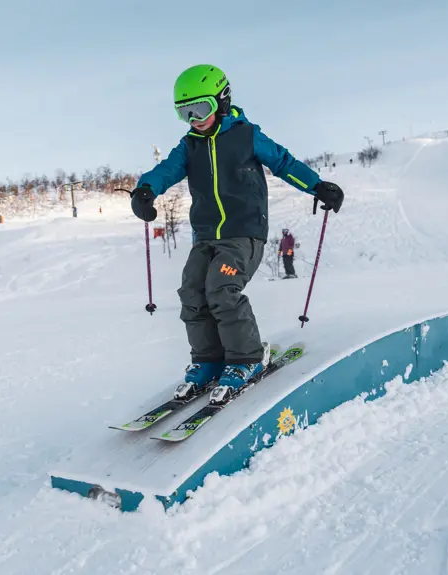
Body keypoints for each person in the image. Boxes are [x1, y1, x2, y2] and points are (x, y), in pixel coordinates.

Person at [130, 64, 344, 404]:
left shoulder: (246, 135)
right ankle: (208, 360)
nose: (194, 119)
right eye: (184, 112)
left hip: (244, 232)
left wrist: (317, 187)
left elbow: (284, 162)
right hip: (205, 235)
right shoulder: (189, 146)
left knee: (222, 288)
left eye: (200, 109)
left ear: (222, 100)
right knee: (192, 291)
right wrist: (145, 191)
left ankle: (247, 358)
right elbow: (164, 171)